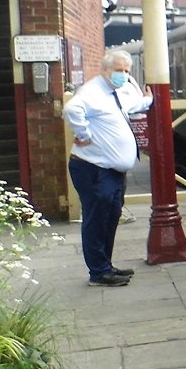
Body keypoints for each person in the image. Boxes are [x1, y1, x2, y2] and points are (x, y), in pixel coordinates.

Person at [63, 50, 152, 286]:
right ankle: (98, 272)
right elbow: (72, 110)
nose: (123, 75)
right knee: (96, 219)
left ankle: (106, 266)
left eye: (126, 71)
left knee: (110, 217)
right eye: (119, 70)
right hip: (93, 169)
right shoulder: (92, 91)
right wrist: (84, 134)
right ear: (105, 70)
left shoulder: (114, 92)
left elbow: (131, 106)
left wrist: (149, 100)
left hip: (111, 172)